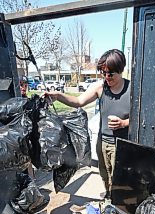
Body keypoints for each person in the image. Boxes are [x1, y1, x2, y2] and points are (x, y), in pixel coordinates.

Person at [45, 49, 130, 199]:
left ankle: (119, 202)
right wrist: (58, 96)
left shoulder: (132, 89)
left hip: (123, 144)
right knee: (104, 173)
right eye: (103, 73)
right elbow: (79, 101)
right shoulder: (100, 87)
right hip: (102, 142)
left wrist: (124, 123)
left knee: (120, 177)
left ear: (121, 70)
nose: (107, 77)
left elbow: (141, 118)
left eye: (110, 74)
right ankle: (109, 195)